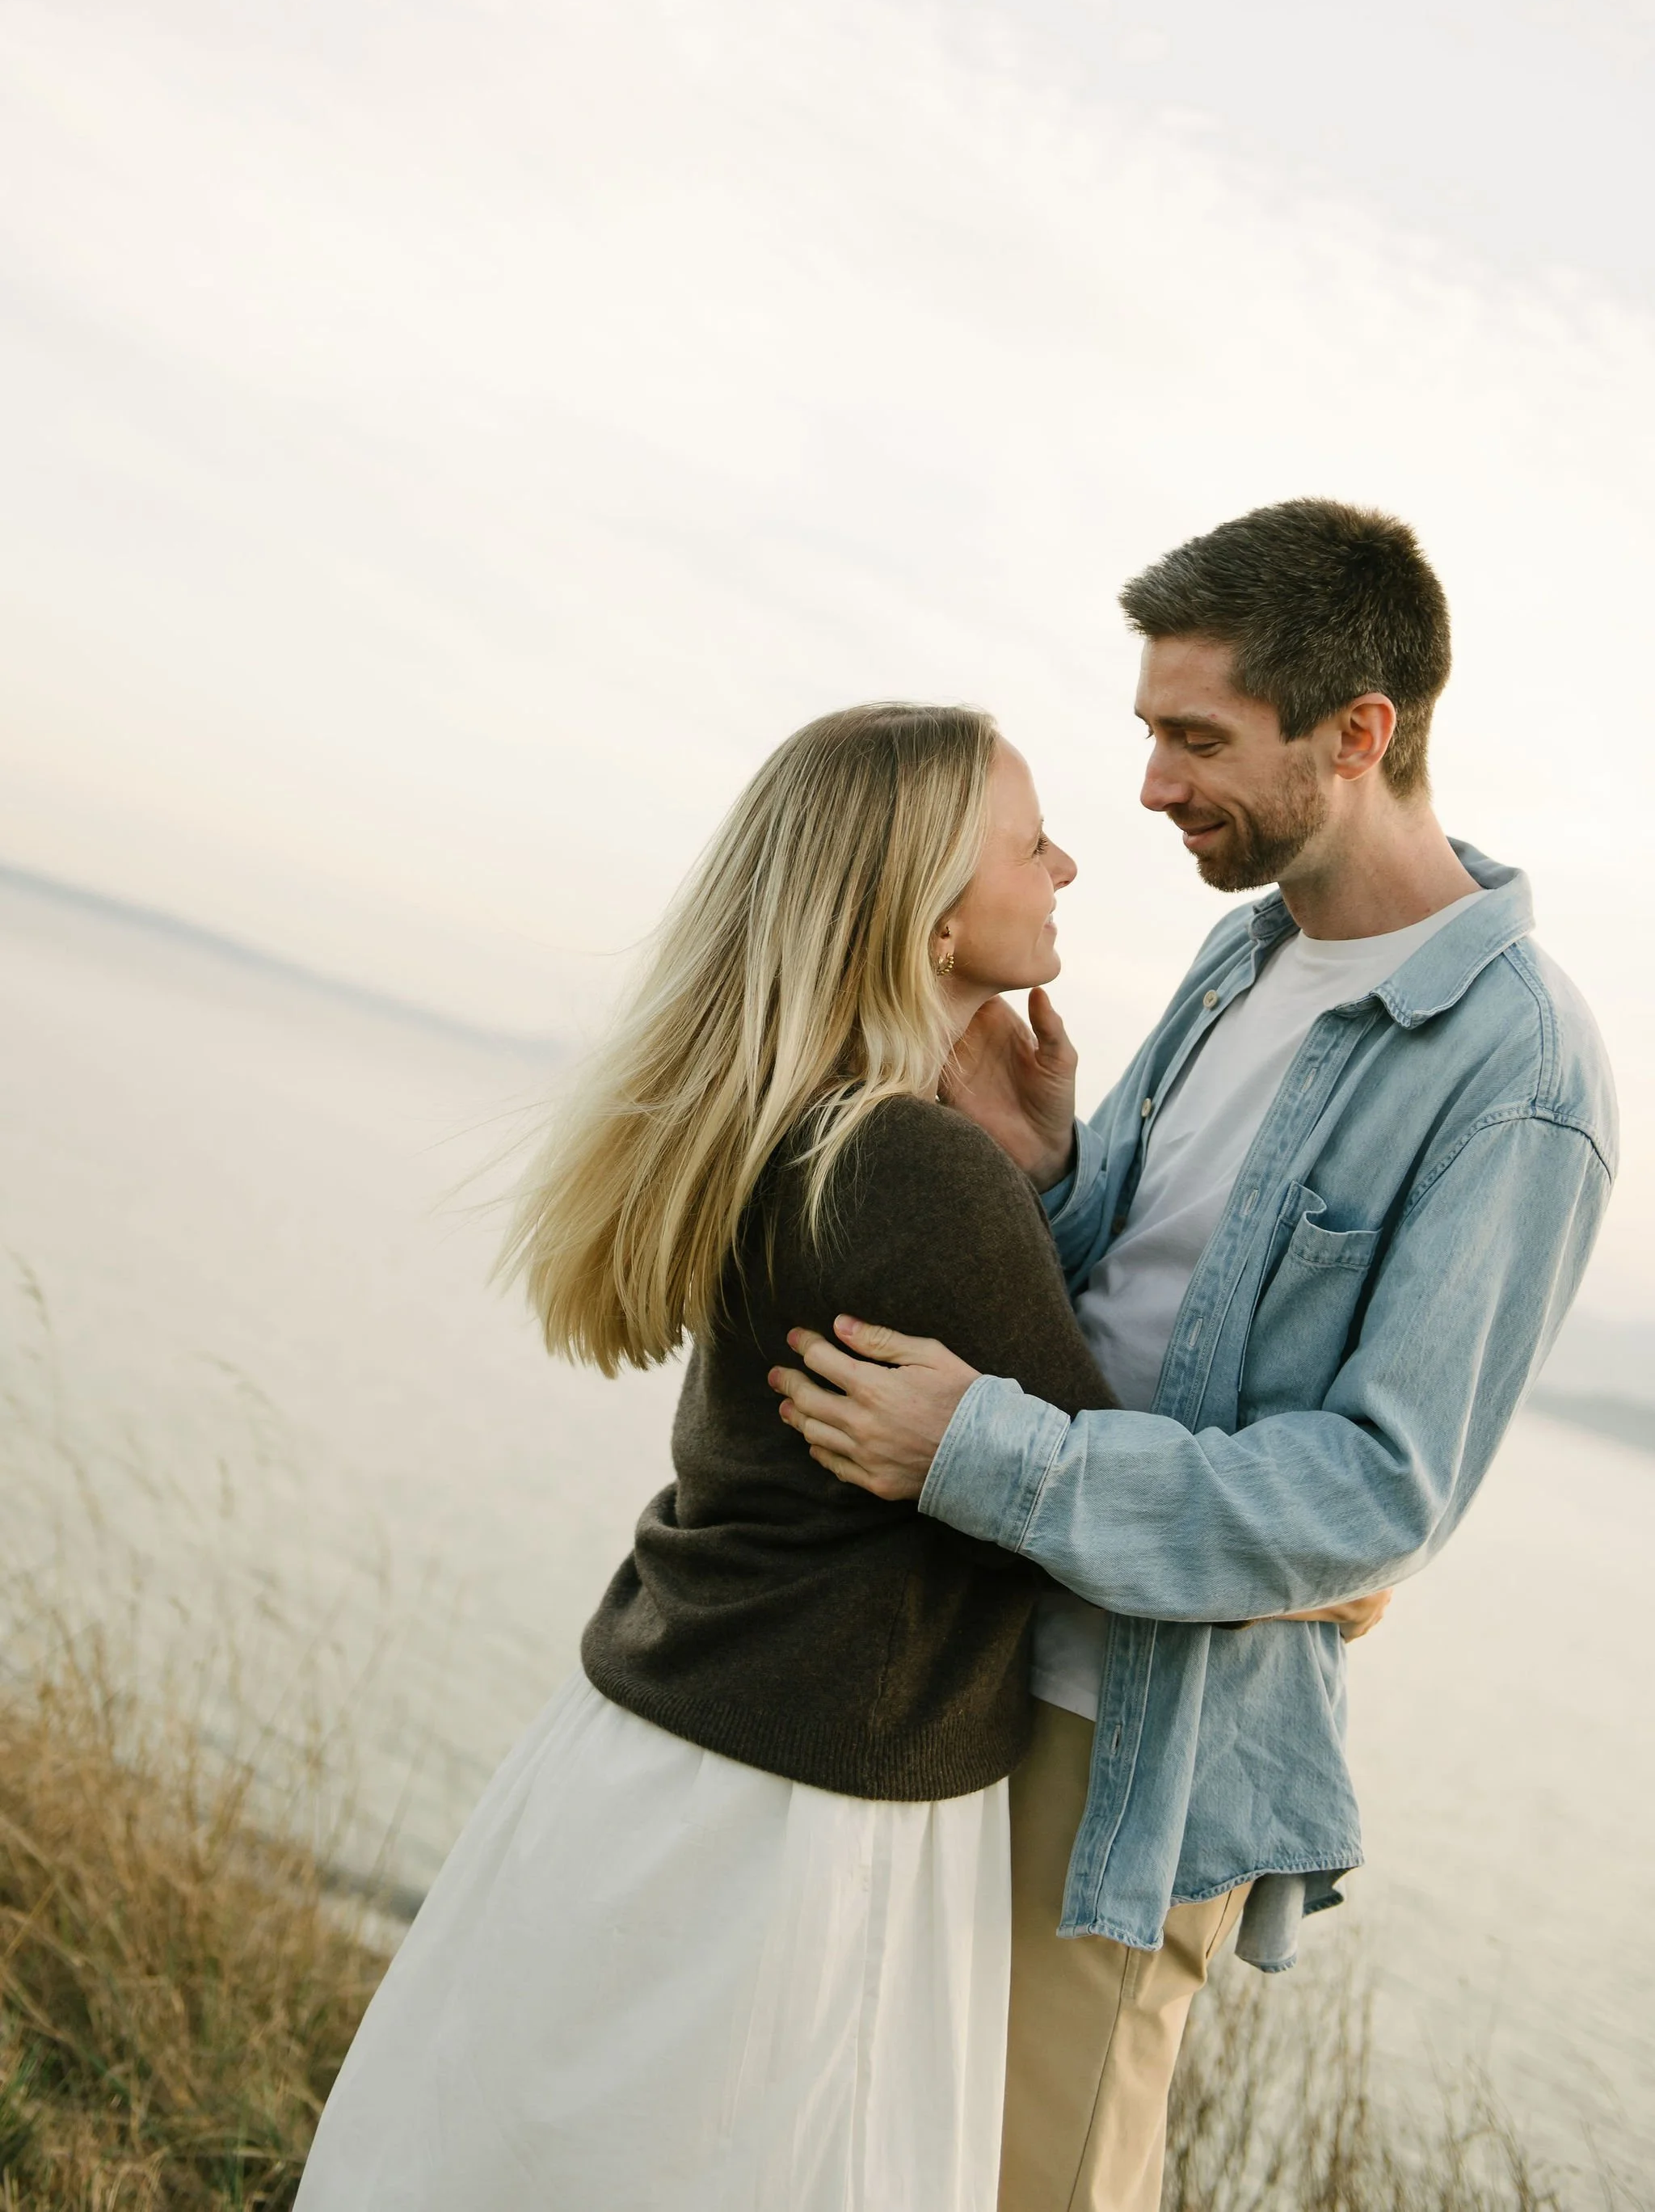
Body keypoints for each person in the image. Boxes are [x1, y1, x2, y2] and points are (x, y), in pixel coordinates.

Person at [303, 702, 1346, 2212]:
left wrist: (1040, 1175)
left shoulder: (811, 1129)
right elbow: (1122, 1494)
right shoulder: (911, 1170)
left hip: (655, 1748)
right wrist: (1334, 1574)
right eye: (1027, 838)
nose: (1066, 862)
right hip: (808, 1820)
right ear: (931, 913)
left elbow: (1028, 1420)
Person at [771, 499, 1616, 2212]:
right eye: (1151, 731)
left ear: (1356, 735)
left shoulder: (1517, 1069)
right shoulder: (1249, 956)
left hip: (1132, 1737)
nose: (1149, 784)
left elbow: (1377, 1492)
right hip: (975, 1656)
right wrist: (1053, 1173)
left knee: (1040, 2180)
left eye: (1193, 737)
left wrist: (977, 1453)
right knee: (876, 2152)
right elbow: (1150, 1314)